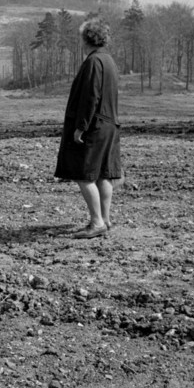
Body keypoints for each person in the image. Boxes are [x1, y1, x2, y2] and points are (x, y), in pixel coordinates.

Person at [54, 16, 124, 239]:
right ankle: (105, 219)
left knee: (84, 174)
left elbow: (90, 97)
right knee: (103, 174)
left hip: (94, 127)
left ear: (86, 39)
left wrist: (80, 127)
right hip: (108, 125)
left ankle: (96, 222)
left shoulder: (94, 62)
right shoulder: (108, 60)